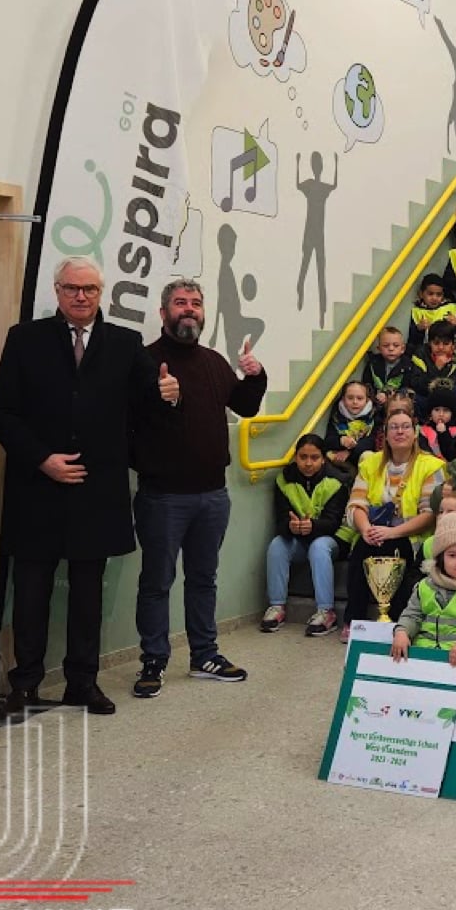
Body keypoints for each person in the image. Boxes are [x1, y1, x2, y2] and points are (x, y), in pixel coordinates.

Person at [0, 256, 169, 715]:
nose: (81, 296)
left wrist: (169, 394)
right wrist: (42, 460)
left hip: (97, 490)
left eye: (89, 288)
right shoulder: (24, 339)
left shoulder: (127, 344)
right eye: (72, 288)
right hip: (37, 487)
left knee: (88, 594)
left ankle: (82, 682)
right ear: (57, 290)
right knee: (30, 591)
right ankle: (25, 683)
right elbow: (2, 412)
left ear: (101, 292)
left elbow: (148, 411)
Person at [132, 275, 267, 694]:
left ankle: (204, 655)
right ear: (163, 313)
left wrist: (255, 376)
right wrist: (160, 399)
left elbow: (243, 406)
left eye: (194, 303)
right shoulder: (144, 361)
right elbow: (128, 426)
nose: (188, 309)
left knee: (204, 579)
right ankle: (152, 661)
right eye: (179, 303)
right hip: (163, 498)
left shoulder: (212, 361)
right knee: (157, 582)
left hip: (213, 496)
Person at [344, 401, 448, 627]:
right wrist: (366, 529)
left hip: (411, 537)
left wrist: (392, 532)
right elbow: (356, 504)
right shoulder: (370, 463)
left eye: (405, 427)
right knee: (362, 548)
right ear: (385, 435)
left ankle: (398, 621)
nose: (400, 432)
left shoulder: (432, 466)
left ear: (414, 433)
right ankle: (354, 622)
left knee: (392, 546)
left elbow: (430, 514)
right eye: (394, 427)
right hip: (374, 533)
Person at [264, 434, 349, 637]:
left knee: (318, 547)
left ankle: (326, 611)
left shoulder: (337, 481)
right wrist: (291, 527)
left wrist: (312, 526)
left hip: (333, 539)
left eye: (314, 457)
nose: (308, 463)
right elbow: (281, 519)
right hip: (300, 536)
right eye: (303, 457)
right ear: (295, 457)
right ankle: (277, 607)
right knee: (277, 545)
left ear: (323, 459)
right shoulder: (284, 480)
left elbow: (334, 521)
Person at [389, 512, 456, 667]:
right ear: (440, 558)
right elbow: (412, 615)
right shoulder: (424, 585)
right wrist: (401, 632)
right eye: (453, 555)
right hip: (422, 655)